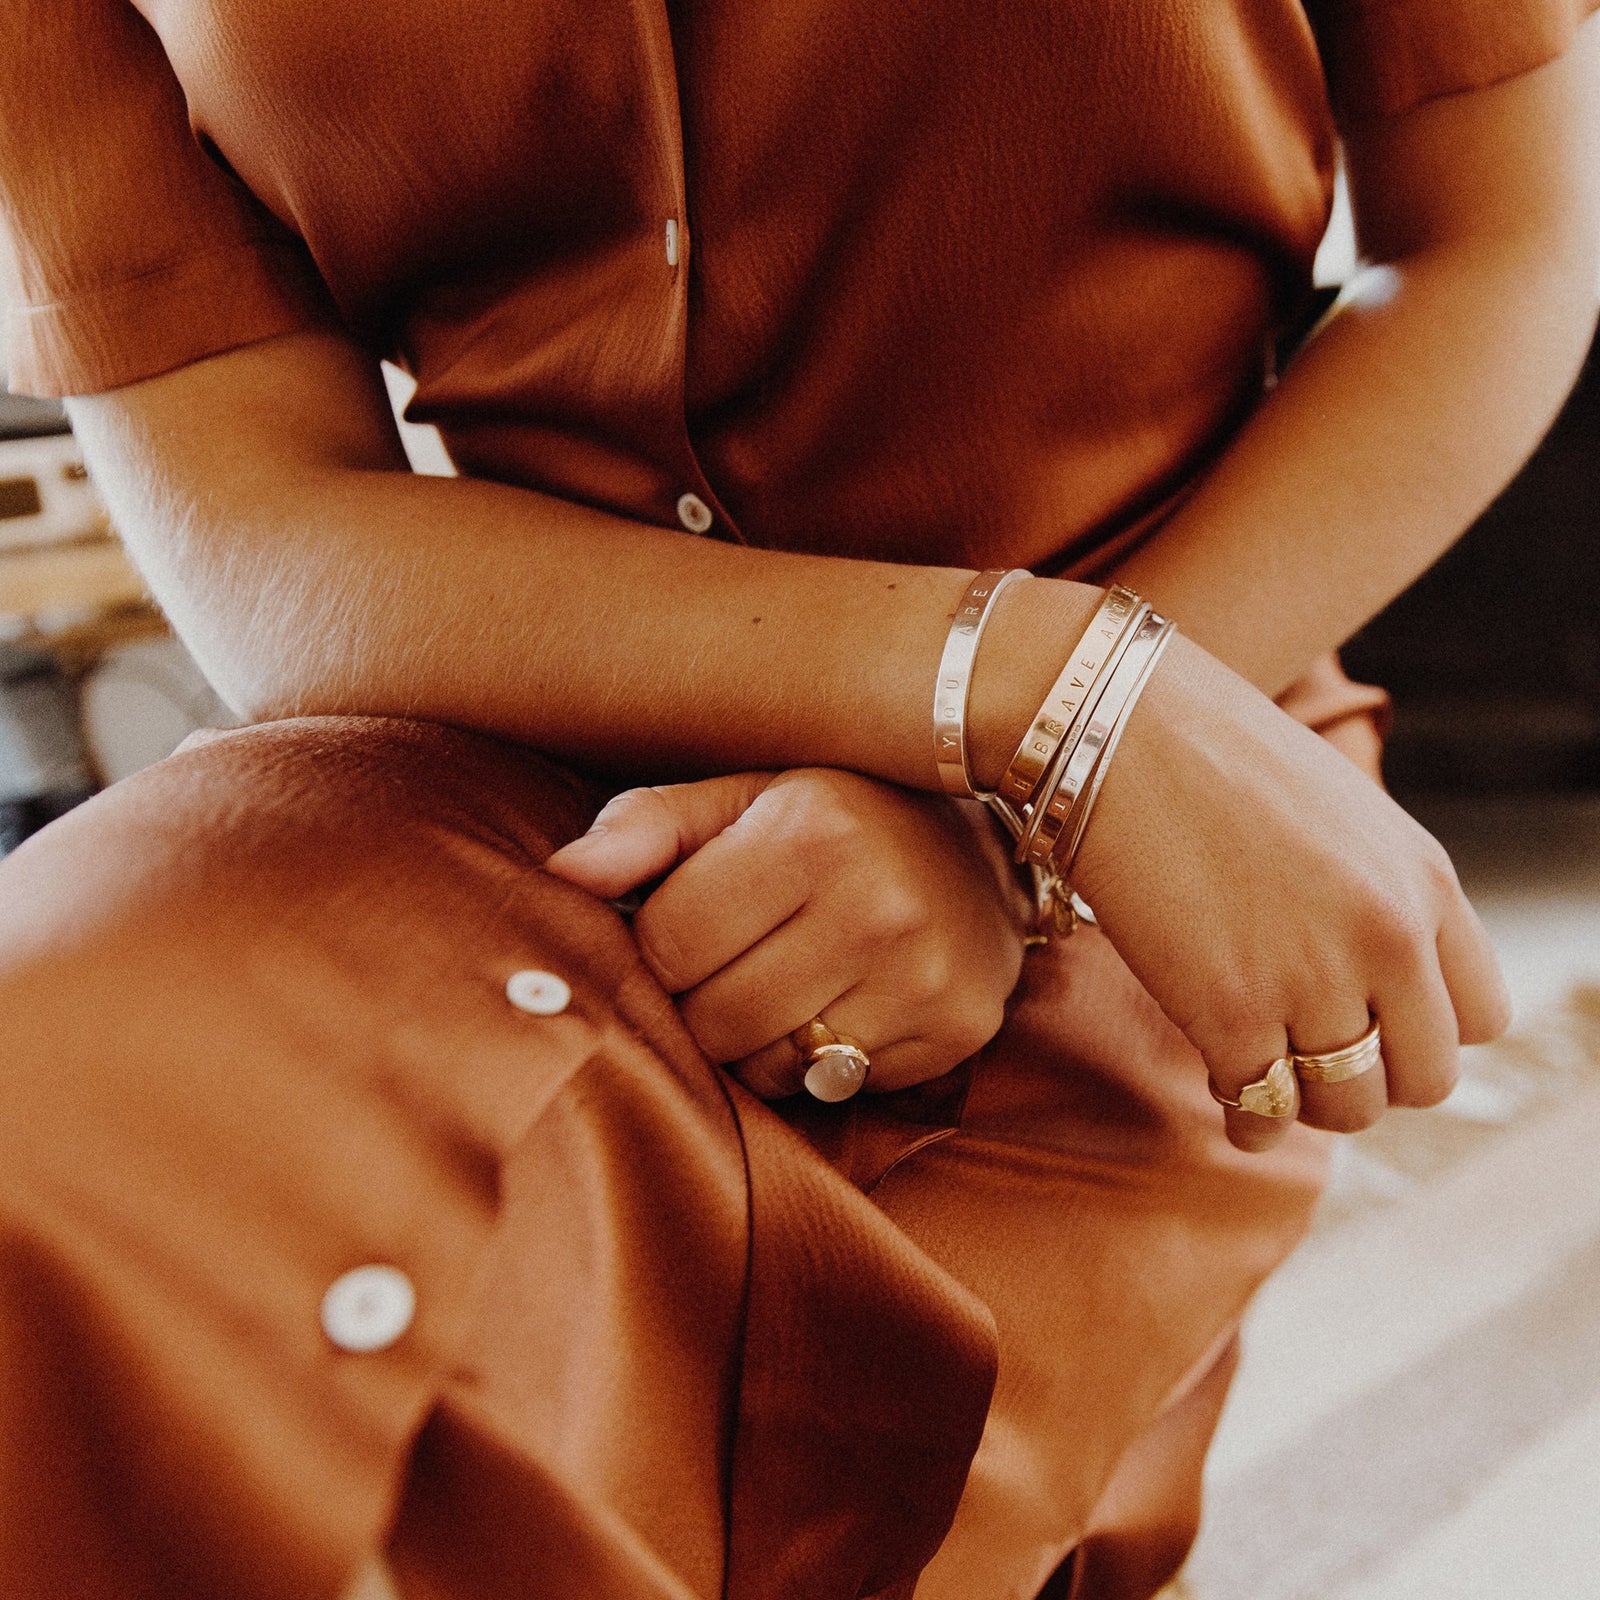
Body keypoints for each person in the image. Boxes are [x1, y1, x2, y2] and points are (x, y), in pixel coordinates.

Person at [1, 3, 1596, 1596]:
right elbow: (257, 499)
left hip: (1159, 844)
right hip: (513, 766)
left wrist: (1017, 821)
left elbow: (1489, 245)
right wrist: (1028, 694)